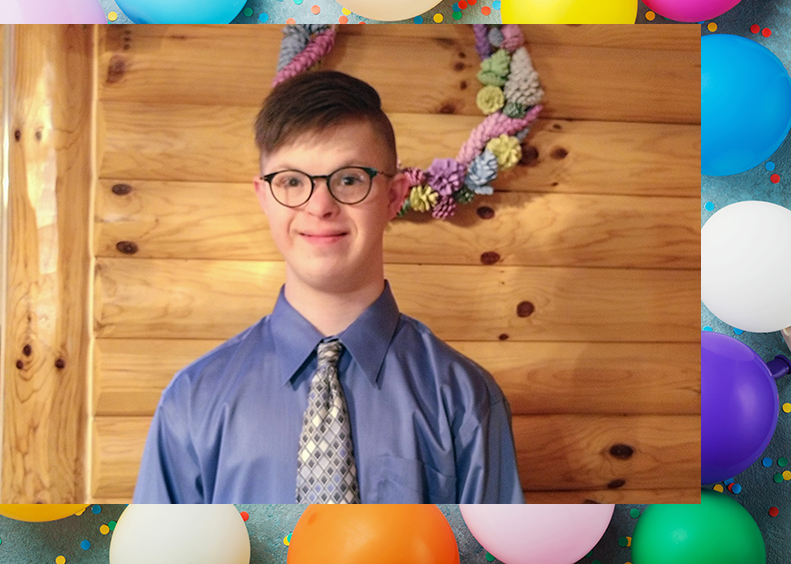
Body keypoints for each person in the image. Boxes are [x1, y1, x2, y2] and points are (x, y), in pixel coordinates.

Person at [132, 70, 524, 504]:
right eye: (292, 182)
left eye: (350, 179)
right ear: (264, 196)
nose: (320, 206)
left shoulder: (465, 399)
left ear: (394, 197)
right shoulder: (192, 400)